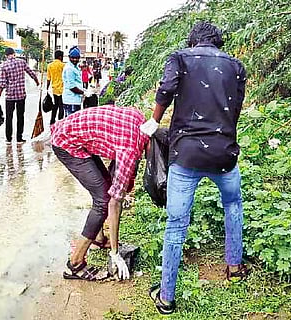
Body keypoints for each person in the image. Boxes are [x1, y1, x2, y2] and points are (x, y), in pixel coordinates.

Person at [140, 21, 248, 315]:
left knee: (176, 224)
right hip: (224, 155)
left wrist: (154, 119)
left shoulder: (180, 57)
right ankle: (235, 266)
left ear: (193, 41)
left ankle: (166, 297)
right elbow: (235, 107)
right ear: (217, 41)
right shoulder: (236, 66)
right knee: (233, 205)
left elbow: (166, 89)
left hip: (186, 155)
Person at [51, 105, 150, 281]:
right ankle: (75, 264)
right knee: (103, 200)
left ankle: (97, 239)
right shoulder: (131, 149)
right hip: (66, 142)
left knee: (103, 192)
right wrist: (115, 252)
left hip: (75, 135)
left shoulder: (141, 121)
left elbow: (118, 174)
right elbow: (114, 201)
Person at [0, 47, 40, 145]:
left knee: (9, 117)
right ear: (14, 54)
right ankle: (19, 138)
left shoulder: (3, 66)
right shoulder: (22, 62)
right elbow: (31, 73)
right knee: (20, 116)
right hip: (21, 95)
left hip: (9, 96)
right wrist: (37, 82)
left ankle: (8, 138)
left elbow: (3, 83)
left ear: (6, 55)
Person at [62, 46, 84, 117]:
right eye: (73, 58)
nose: (75, 60)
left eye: (77, 58)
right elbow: (72, 87)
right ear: (69, 57)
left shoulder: (75, 67)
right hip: (71, 100)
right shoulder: (69, 69)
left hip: (75, 100)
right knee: (71, 123)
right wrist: (84, 93)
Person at [46, 50, 65, 124]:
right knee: (61, 106)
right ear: (60, 57)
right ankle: (60, 122)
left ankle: (52, 121)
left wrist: (46, 89)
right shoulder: (63, 65)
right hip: (62, 89)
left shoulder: (50, 65)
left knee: (55, 106)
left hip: (54, 89)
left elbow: (48, 79)